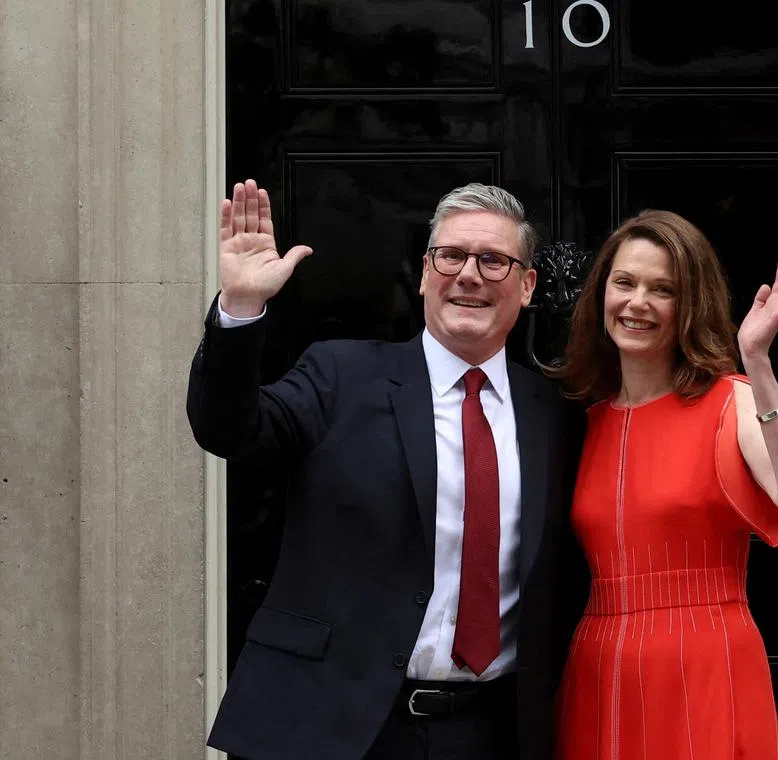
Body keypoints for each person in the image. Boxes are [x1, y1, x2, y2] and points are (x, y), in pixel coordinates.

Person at [187, 180, 581, 760]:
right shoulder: (340, 375)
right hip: (329, 724)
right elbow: (229, 430)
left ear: (526, 287)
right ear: (424, 274)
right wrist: (242, 308)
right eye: (450, 256)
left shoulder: (557, 414)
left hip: (489, 732)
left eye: (493, 261)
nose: (469, 275)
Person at [550, 210, 778, 760]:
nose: (637, 303)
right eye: (624, 283)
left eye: (663, 290)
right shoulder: (581, 421)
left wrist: (759, 362)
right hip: (599, 661)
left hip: (704, 654)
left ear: (689, 304)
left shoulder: (732, 399)